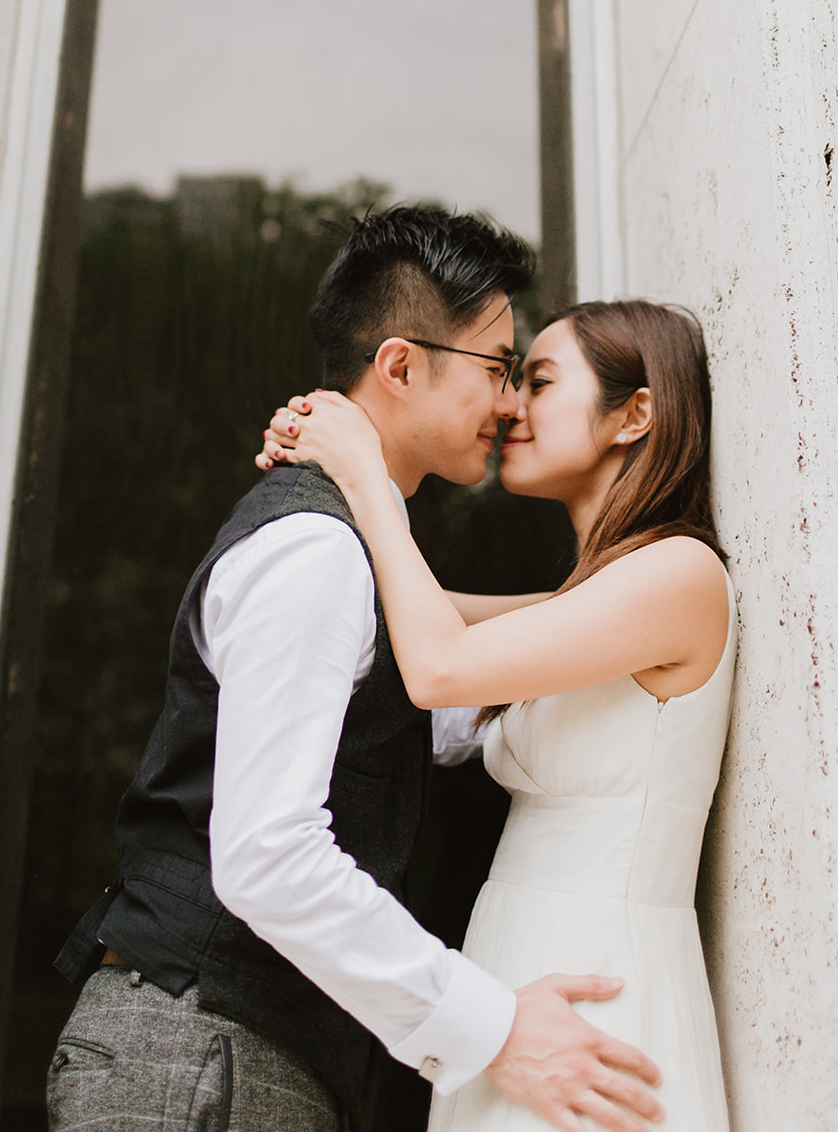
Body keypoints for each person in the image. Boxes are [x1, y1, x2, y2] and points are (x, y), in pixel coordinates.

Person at [48, 209, 664, 1132]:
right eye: (498, 368)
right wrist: (494, 1029)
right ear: (402, 366)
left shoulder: (357, 552)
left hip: (230, 1054)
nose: (509, 404)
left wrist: (623, 620)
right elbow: (267, 858)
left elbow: (426, 718)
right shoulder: (314, 551)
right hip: (193, 1054)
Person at [261, 296, 734, 1131]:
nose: (509, 404)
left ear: (635, 414)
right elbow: (411, 607)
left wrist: (367, 476)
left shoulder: (679, 575)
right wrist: (321, 465)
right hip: (515, 971)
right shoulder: (585, 602)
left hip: (601, 981)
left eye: (539, 381)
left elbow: (439, 666)